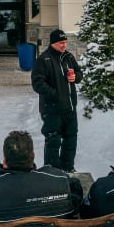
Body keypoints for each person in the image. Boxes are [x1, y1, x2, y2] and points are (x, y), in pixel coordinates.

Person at [30, 28, 83, 171]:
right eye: (61, 42)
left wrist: (76, 77)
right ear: (53, 43)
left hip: (70, 108)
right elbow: (37, 83)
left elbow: (79, 73)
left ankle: (68, 168)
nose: (64, 45)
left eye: (65, 42)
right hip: (52, 110)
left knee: (71, 140)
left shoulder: (69, 57)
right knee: (53, 141)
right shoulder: (44, 59)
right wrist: (55, 94)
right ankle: (52, 171)